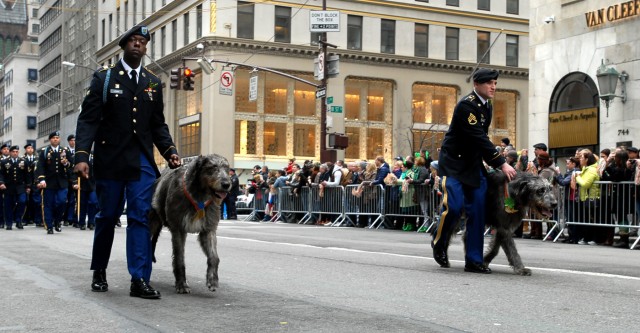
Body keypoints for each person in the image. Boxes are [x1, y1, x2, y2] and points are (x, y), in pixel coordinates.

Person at [74, 24, 181, 299]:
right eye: (133, 40)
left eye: (142, 42)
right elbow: (88, 120)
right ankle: (99, 270)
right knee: (107, 217)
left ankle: (139, 279)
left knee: (139, 218)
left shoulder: (153, 82)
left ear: (146, 49)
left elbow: (157, 124)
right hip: (110, 159)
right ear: (124, 46)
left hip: (142, 161)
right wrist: (82, 156)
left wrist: (169, 150)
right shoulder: (104, 79)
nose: (138, 45)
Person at [431, 68, 516, 274]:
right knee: (454, 206)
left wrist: (493, 163)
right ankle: (439, 242)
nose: (493, 86)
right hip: (454, 165)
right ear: (476, 84)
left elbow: (480, 142)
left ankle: (474, 260)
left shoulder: (487, 105)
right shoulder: (467, 105)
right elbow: (478, 137)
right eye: (489, 83)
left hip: (474, 165)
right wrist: (502, 163)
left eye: (495, 83)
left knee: (478, 211)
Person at [36, 131, 74, 234]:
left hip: (62, 182)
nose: (55, 139)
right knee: (48, 204)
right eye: (53, 138)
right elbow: (40, 167)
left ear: (59, 139)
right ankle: (49, 226)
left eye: (57, 137)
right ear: (50, 140)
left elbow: (71, 166)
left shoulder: (64, 151)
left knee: (61, 202)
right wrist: (42, 179)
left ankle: (57, 221)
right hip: (49, 182)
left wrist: (66, 163)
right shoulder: (45, 151)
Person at [0, 146, 31, 230]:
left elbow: (27, 175)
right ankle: (9, 223)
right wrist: (1, 183)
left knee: (22, 201)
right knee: (8, 205)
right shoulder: (4, 162)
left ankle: (18, 220)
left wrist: (28, 186)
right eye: (13, 151)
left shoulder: (23, 162)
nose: (15, 153)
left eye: (17, 151)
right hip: (8, 187)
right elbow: (1, 174)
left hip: (20, 186)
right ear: (10, 152)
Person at [23, 143, 42, 227]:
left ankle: (37, 220)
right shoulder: (22, 159)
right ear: (26, 150)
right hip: (26, 184)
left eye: (31, 148)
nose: (30, 149)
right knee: (27, 202)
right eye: (28, 148)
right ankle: (26, 219)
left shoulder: (37, 159)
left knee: (37, 202)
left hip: (35, 183)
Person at [65, 134, 78, 227]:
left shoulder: (78, 150)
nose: (73, 142)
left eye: (74, 140)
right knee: (68, 199)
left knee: (76, 200)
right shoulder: (65, 151)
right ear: (69, 141)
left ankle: (74, 218)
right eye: (71, 140)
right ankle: (66, 218)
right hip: (67, 178)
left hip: (77, 177)